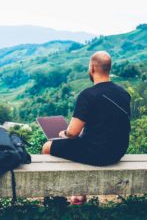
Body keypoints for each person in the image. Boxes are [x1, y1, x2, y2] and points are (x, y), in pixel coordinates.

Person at [41, 51, 131, 204]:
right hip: (118, 151)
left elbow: (73, 133)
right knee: (80, 143)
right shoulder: (124, 94)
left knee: (47, 147)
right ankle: (79, 194)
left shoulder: (88, 94)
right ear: (108, 68)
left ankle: (56, 201)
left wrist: (65, 133)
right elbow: (109, 124)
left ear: (92, 68)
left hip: (98, 153)